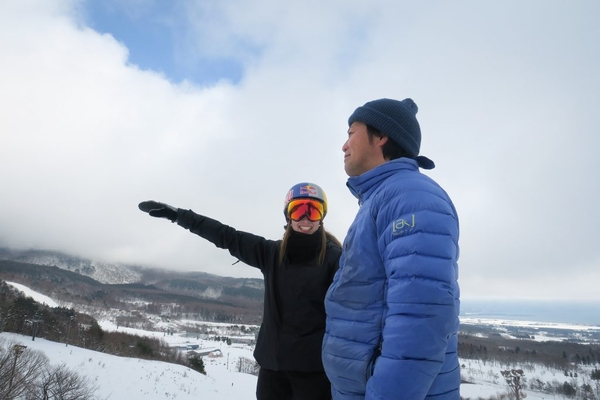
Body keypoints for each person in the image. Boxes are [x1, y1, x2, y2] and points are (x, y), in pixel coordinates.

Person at [139, 182, 342, 400]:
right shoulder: (272, 254)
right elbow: (227, 236)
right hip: (272, 371)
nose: (306, 218)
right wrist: (179, 216)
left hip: (314, 373)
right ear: (288, 215)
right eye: (298, 210)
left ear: (322, 217)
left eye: (314, 211)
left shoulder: (336, 259)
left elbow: (351, 313)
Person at [321, 98, 461, 399]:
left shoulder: (411, 197)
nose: (344, 145)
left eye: (351, 133)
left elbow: (422, 317)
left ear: (381, 135)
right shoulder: (384, 198)